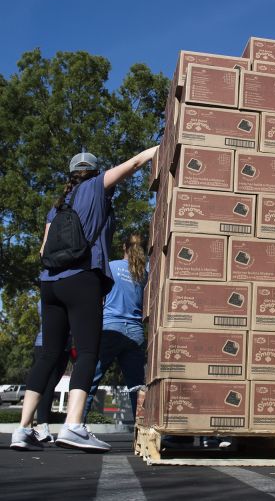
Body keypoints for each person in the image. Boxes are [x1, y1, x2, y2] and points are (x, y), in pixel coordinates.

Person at [11, 146, 158, 452]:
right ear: (93, 171)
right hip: (82, 279)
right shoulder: (96, 187)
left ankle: (22, 429)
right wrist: (159, 147)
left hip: (50, 283)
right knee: (88, 351)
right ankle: (73, 426)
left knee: (49, 355)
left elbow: (42, 252)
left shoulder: (58, 205)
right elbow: (132, 164)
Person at [83, 233, 147, 423]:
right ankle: (140, 430)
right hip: (135, 332)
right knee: (137, 387)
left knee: (90, 380)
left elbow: (97, 297)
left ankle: (76, 424)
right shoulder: (146, 273)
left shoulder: (111, 267)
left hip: (110, 328)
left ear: (124, 247)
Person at [31, 300, 72, 444]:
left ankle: (37, 426)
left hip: (64, 346)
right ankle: (40, 426)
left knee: (49, 386)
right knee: (46, 386)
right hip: (47, 345)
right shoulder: (49, 296)